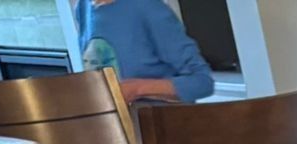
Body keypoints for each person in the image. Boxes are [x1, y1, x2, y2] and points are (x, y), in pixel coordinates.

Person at [74, 0, 214, 103]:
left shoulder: (148, 7)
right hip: (116, 134)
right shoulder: (82, 7)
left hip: (163, 132)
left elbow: (202, 83)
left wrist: (137, 89)